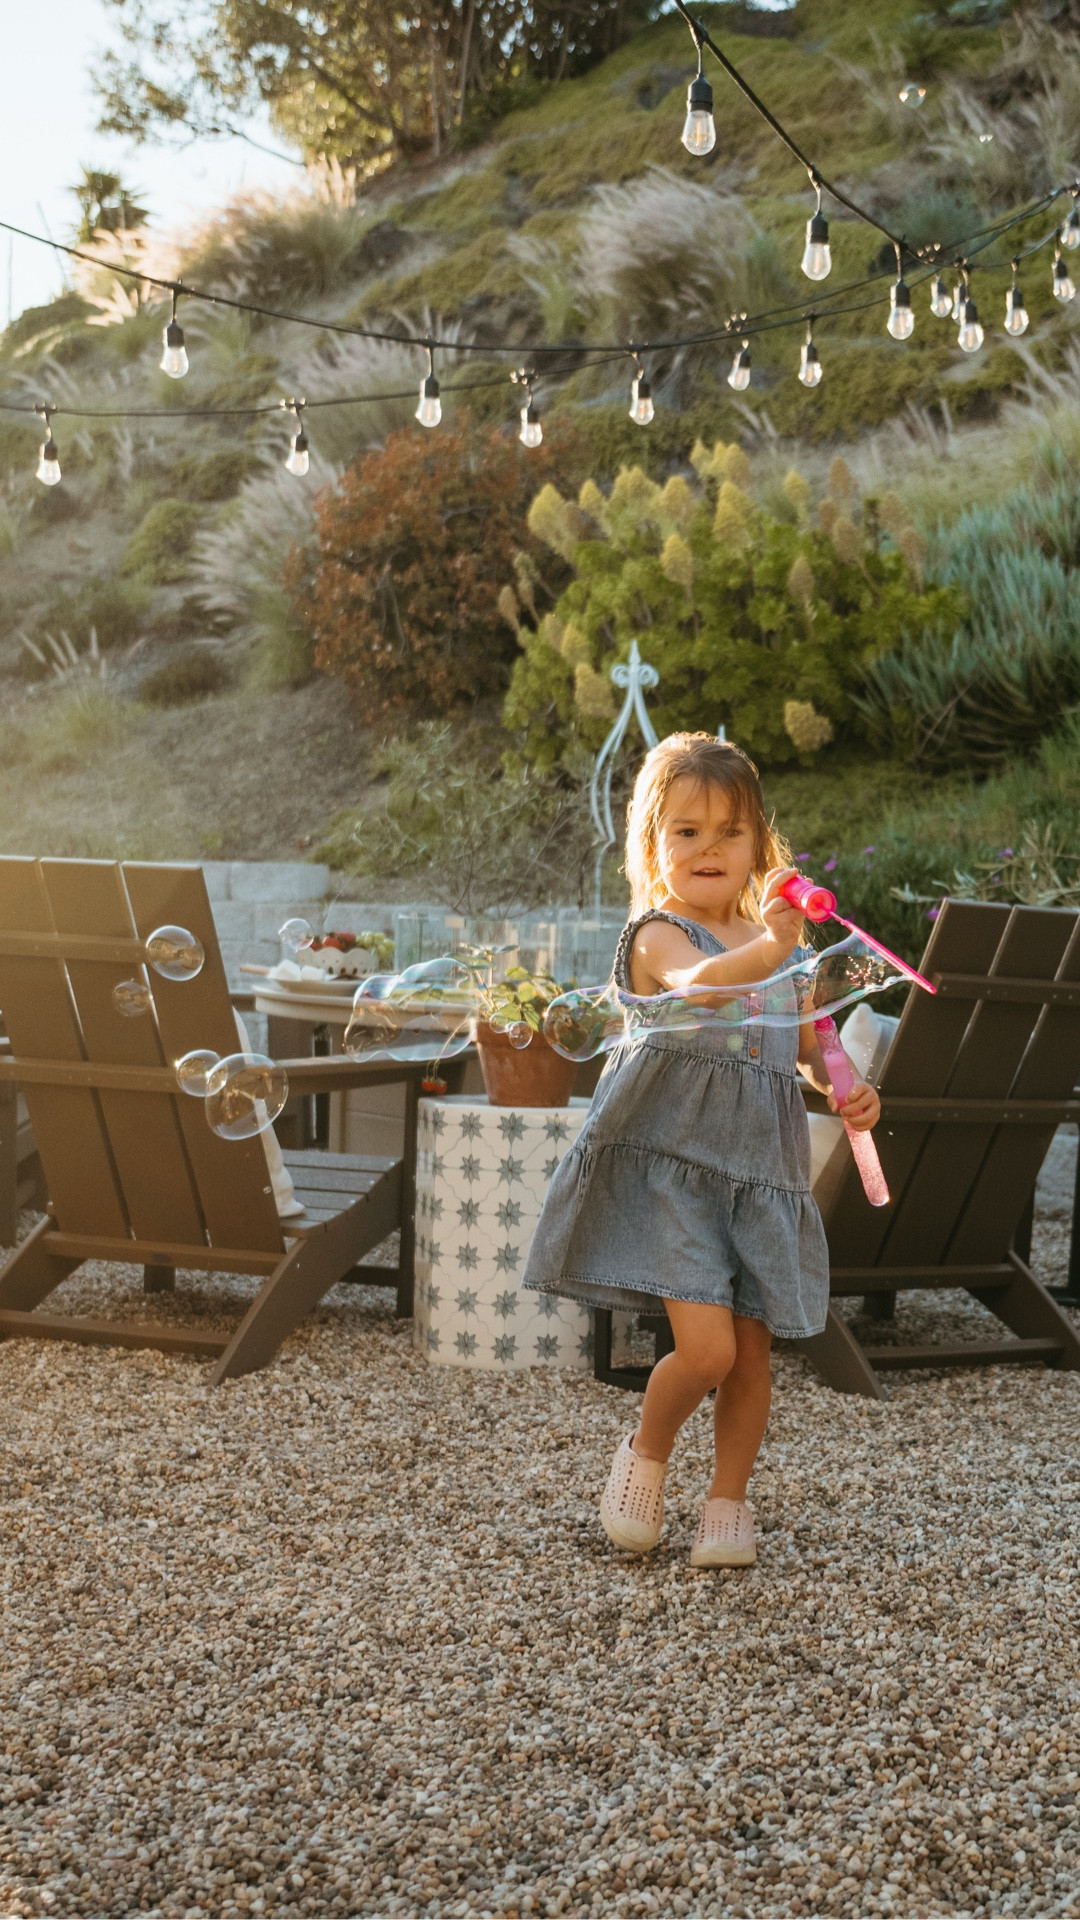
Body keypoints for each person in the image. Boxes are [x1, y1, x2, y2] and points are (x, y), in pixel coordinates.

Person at [521, 732, 881, 1568]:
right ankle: (646, 1451)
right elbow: (701, 987)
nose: (709, 848)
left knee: (751, 1357)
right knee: (709, 1350)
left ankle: (727, 1503)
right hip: (676, 1174)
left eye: (729, 831)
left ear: (760, 846)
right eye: (687, 831)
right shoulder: (659, 936)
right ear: (653, 847)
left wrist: (851, 1088)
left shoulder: (779, 950)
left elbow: (813, 1049)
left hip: (759, 1173)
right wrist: (775, 950)